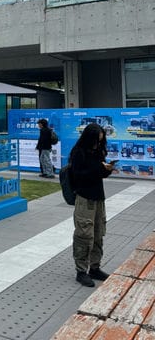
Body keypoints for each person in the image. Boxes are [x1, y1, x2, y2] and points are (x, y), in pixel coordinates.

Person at [70, 123, 115, 287]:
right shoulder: (79, 153)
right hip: (84, 197)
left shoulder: (98, 151)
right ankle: (81, 271)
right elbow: (78, 176)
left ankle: (95, 268)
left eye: (101, 140)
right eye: (96, 140)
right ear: (89, 138)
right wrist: (98, 168)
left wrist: (107, 169)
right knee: (84, 234)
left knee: (98, 232)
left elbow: (100, 174)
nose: (98, 143)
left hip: (98, 197)